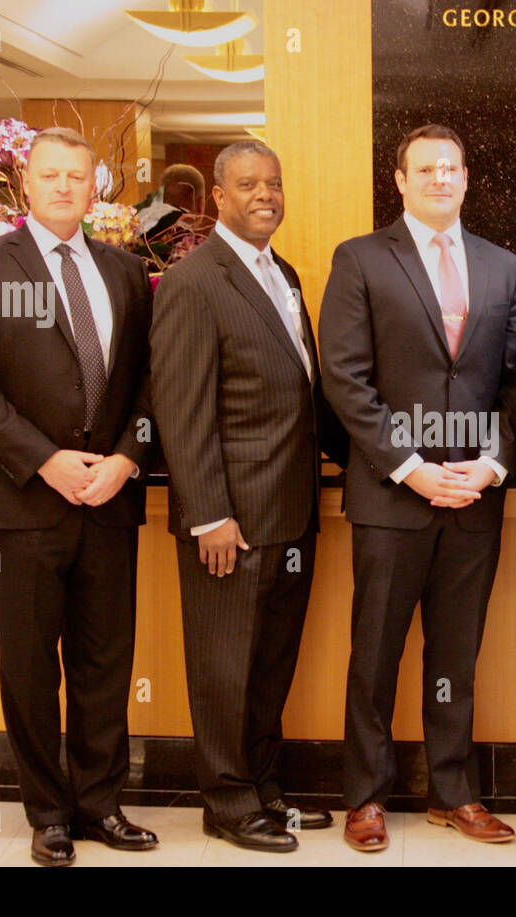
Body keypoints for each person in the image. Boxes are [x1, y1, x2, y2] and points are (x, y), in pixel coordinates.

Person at [0, 126, 158, 866]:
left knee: (105, 661)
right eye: (51, 174)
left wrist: (128, 459)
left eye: (78, 175)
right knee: (30, 665)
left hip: (109, 501)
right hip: (21, 501)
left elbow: (148, 382)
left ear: (95, 187)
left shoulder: (127, 271)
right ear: (24, 184)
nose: (65, 186)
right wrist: (44, 461)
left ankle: (101, 805)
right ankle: (48, 813)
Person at [319, 124, 516, 852]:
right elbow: (345, 380)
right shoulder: (360, 259)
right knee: (374, 653)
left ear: (466, 179)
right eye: (425, 168)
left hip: (474, 497)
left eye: (452, 168)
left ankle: (454, 791)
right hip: (391, 496)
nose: (440, 178)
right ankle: (366, 797)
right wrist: (412, 467)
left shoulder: (502, 267)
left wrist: (492, 465)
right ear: (400, 180)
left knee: (456, 653)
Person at [150, 141, 347, 853]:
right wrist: (209, 514)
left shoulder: (283, 274)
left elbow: (303, 393)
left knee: (268, 664)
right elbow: (182, 411)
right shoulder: (193, 282)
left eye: (275, 182)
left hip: (292, 512)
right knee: (224, 666)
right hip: (229, 519)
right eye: (249, 184)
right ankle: (227, 801)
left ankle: (264, 786)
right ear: (219, 198)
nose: (266, 193)